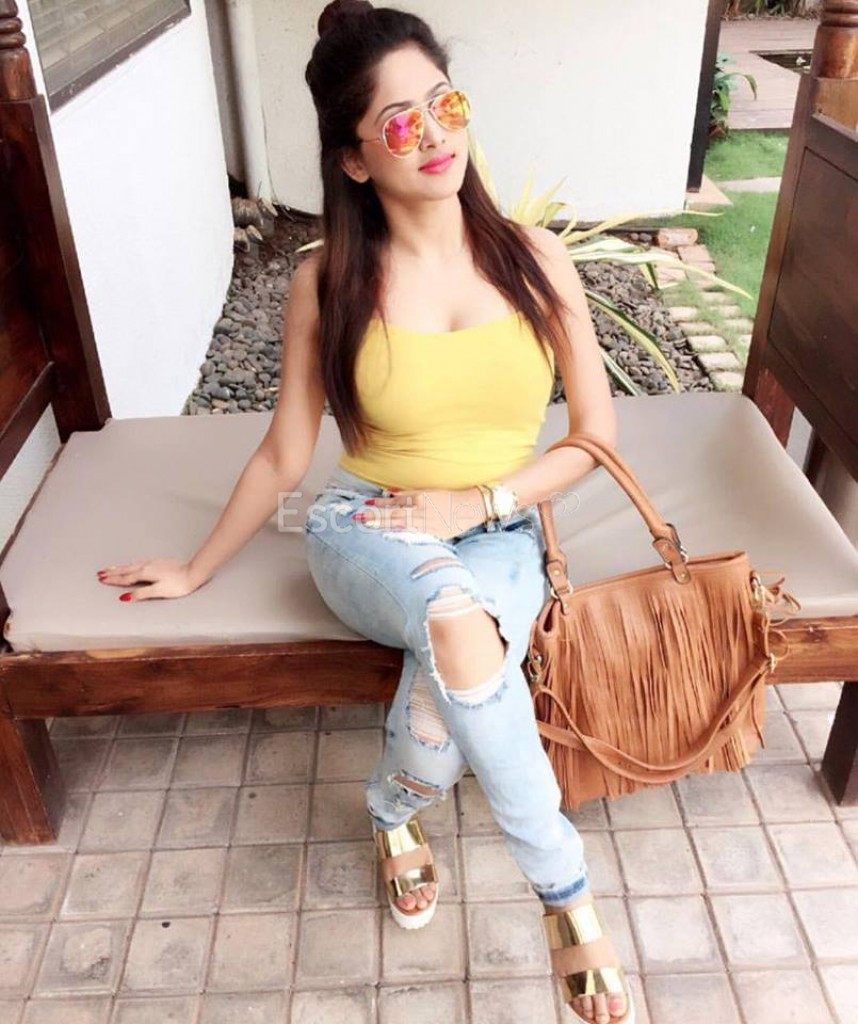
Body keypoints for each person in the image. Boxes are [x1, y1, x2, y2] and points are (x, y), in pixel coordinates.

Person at [96, 2, 632, 1021]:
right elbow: (285, 453)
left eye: (445, 104)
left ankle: (390, 811)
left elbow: (595, 438)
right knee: (455, 620)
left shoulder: (536, 258)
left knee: (438, 716)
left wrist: (480, 498)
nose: (433, 135)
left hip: (501, 531)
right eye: (398, 121)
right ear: (352, 158)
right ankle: (571, 903)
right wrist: (196, 568)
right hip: (368, 527)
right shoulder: (328, 279)